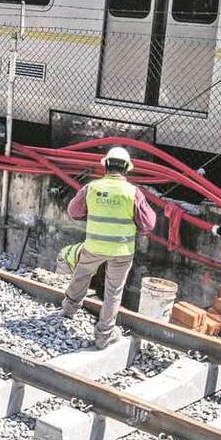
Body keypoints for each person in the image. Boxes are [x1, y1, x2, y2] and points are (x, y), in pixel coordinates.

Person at [60, 147, 156, 349]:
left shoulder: (91, 188)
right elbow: (148, 224)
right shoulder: (133, 192)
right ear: (126, 169)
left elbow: (74, 212)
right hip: (121, 251)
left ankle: (68, 310)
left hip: (94, 246)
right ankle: (104, 335)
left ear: (106, 166)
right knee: (113, 292)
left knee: (81, 275)